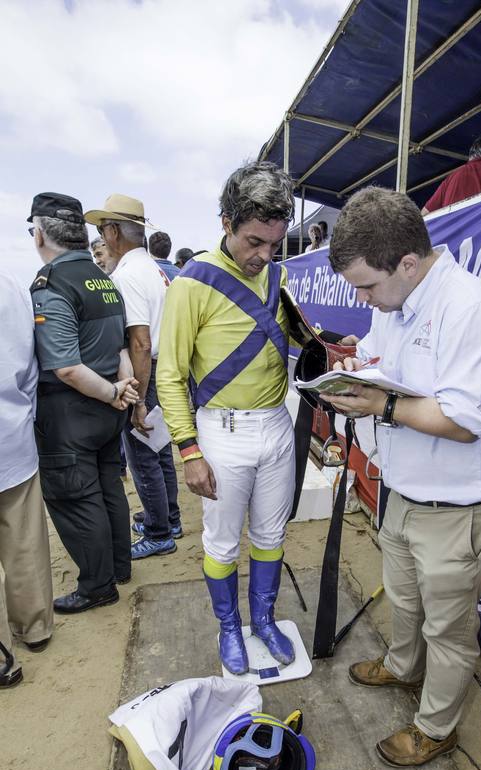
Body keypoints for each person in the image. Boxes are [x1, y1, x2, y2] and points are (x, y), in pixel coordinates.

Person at [323, 187, 481, 766]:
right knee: (406, 601)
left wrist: (381, 406)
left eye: (366, 285)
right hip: (404, 494)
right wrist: (357, 368)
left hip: (459, 512)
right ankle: (404, 667)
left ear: (408, 263)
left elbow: (464, 421)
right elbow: (379, 357)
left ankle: (436, 727)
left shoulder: (474, 311)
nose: (362, 298)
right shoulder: (395, 302)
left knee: (449, 631)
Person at [157, 161, 296, 676]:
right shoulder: (191, 283)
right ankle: (230, 627)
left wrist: (332, 345)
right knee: (221, 542)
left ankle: (264, 621)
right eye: (254, 241)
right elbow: (170, 375)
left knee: (271, 536)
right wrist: (188, 450)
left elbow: (294, 335)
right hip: (222, 432)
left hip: (277, 426)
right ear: (226, 223)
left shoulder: (278, 275)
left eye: (275, 244)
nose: (265, 256)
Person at [29, 192, 138, 614]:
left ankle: (97, 586)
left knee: (76, 497)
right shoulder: (103, 278)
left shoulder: (52, 283)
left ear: (40, 234)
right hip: (108, 405)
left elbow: (67, 367)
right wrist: (120, 389)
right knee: (108, 486)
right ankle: (119, 567)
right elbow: (120, 344)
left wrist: (113, 392)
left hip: (73, 410)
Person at [84, 194, 183, 558]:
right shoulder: (155, 269)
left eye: (102, 229)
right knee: (159, 449)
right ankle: (168, 517)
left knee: (142, 454)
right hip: (164, 367)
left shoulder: (127, 275)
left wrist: (137, 399)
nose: (102, 236)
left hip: (147, 371)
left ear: (113, 232)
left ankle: (160, 531)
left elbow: (140, 342)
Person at [0, 268, 54, 687]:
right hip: (12, 432)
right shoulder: (12, 285)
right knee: (23, 539)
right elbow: (32, 365)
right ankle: (35, 627)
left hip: (14, 432)